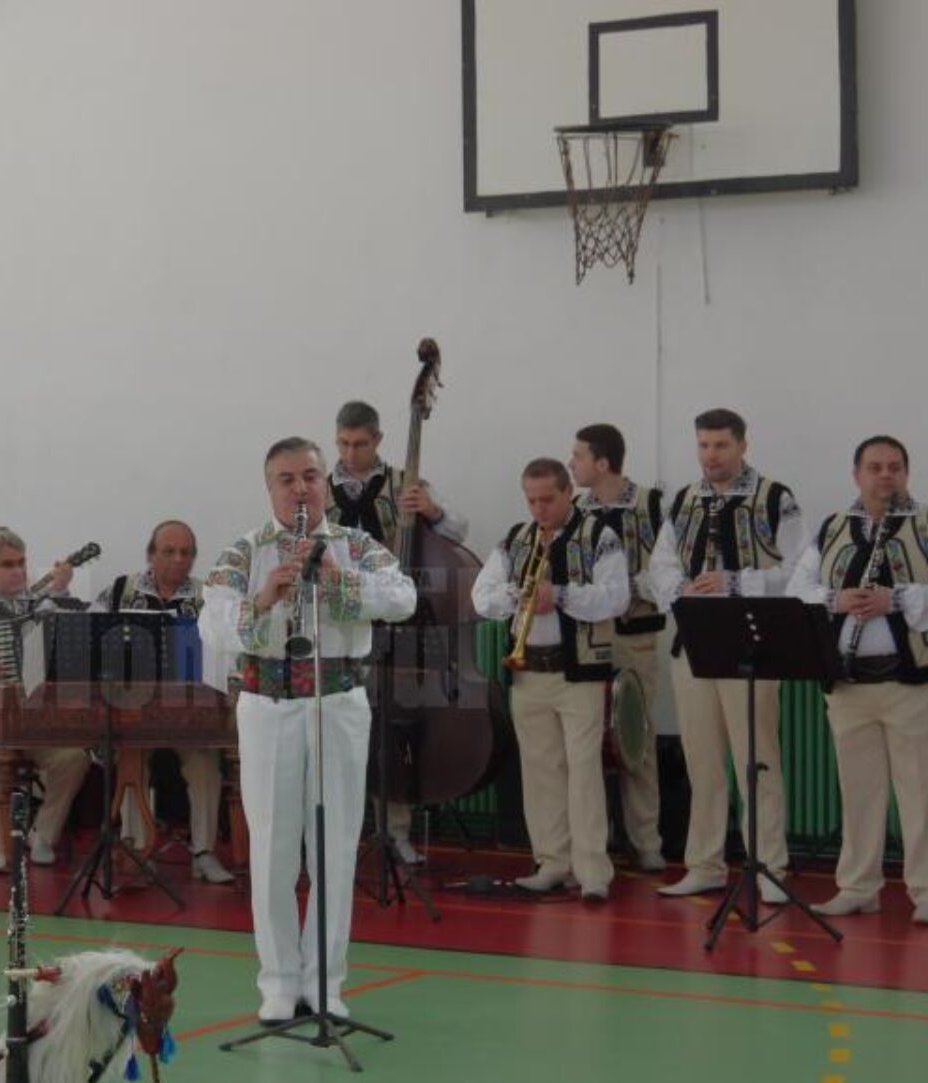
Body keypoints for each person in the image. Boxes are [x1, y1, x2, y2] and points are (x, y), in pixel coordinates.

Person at [204, 436, 416, 1023]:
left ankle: (325, 982)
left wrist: (336, 579)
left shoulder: (355, 544)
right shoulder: (244, 551)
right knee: (272, 844)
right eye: (287, 479)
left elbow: (403, 596)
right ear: (269, 486)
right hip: (267, 702)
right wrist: (265, 599)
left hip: (338, 699)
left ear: (325, 481)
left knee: (335, 844)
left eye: (311, 476)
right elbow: (211, 624)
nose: (301, 488)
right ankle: (277, 982)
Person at [788, 436, 928, 925]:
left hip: (910, 682)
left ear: (906, 473)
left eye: (894, 467)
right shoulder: (832, 527)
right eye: (875, 467)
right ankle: (857, 887)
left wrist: (898, 599)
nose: (885, 475)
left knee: (920, 791)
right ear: (857, 475)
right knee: (858, 792)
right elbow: (798, 588)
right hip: (849, 685)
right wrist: (836, 599)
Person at [646, 409, 807, 901]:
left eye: (720, 445)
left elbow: (799, 572)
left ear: (742, 446)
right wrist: (683, 591)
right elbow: (659, 565)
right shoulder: (683, 500)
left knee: (757, 759)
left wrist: (736, 582)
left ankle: (769, 867)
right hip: (694, 642)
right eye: (703, 445)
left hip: (753, 643)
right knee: (702, 760)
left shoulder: (776, 498)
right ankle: (705, 864)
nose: (710, 455)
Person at [472, 458, 629, 898]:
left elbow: (616, 598)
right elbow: (481, 596)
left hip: (578, 671)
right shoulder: (515, 539)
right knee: (541, 771)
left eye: (547, 500)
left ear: (567, 493)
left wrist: (558, 595)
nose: (539, 509)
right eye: (531, 501)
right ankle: (551, 862)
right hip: (529, 672)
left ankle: (593, 872)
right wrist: (516, 596)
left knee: (583, 772)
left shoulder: (600, 536)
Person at [325, 399, 469, 864]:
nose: (350, 453)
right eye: (343, 444)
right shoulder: (320, 491)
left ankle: (397, 830)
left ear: (378, 440)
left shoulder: (406, 483)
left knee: (395, 729)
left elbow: (457, 533)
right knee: (338, 730)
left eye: (360, 444)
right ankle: (339, 833)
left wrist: (433, 510)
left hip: (399, 624)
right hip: (340, 624)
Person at [92, 519, 235, 884]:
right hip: (132, 714)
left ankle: (203, 853)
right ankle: (137, 853)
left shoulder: (207, 596)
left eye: (186, 553)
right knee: (132, 761)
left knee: (205, 766)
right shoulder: (120, 591)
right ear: (151, 554)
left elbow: (228, 652)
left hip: (188, 716)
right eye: (169, 551)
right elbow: (90, 638)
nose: (178, 559)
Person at [0, 526, 91, 872]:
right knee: (2, 755)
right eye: (7, 564)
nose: (18, 571)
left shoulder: (37, 604)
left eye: (21, 563)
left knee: (74, 758)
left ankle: (42, 835)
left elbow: (71, 644)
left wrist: (61, 591)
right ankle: (4, 849)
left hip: (35, 720)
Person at [570, 422, 667, 872]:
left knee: (636, 736)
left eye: (579, 456)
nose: (572, 464)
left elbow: (671, 573)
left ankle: (646, 840)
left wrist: (625, 586)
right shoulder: (575, 510)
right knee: (586, 739)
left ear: (603, 462)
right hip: (587, 640)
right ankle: (595, 838)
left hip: (634, 636)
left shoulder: (652, 505)